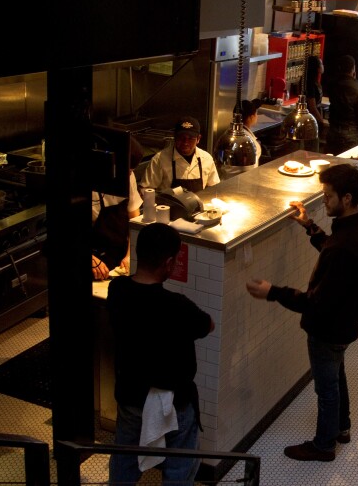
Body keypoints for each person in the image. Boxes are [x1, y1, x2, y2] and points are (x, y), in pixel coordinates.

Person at [246, 164, 358, 462]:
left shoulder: (343, 245)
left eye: (328, 196)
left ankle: (324, 445)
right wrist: (310, 227)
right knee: (337, 375)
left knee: (326, 388)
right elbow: (333, 253)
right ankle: (342, 428)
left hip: (328, 329)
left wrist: (272, 292)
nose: (324, 200)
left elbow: (316, 302)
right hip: (345, 325)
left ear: (347, 198)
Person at [107, 223, 215, 483]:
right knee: (180, 465)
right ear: (168, 263)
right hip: (174, 401)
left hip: (131, 395)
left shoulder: (117, 290)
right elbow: (207, 324)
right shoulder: (177, 306)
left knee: (124, 459)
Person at [91, 138, 143, 280]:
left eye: (131, 171)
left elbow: (134, 217)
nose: (129, 175)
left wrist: (130, 254)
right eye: (125, 171)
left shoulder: (128, 176)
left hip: (118, 257)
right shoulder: (85, 181)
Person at [141, 116, 220, 192]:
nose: (185, 142)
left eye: (190, 138)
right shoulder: (159, 160)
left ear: (198, 139)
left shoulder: (206, 159)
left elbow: (214, 188)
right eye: (181, 137)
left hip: (199, 205)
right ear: (175, 137)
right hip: (169, 205)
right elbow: (145, 190)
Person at [324, 55, 358, 155]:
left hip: (333, 131)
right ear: (353, 69)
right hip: (351, 134)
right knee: (348, 165)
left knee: (332, 163)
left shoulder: (333, 85)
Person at [304, 56, 326, 130]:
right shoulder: (310, 84)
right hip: (312, 120)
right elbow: (312, 107)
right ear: (317, 68)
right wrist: (321, 121)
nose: (323, 66)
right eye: (321, 64)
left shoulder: (315, 82)